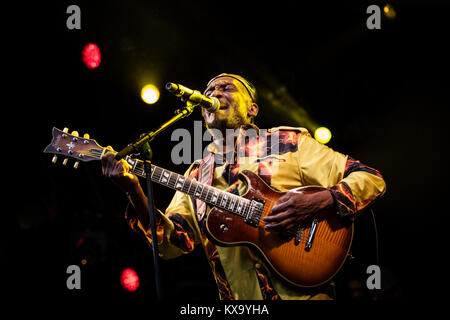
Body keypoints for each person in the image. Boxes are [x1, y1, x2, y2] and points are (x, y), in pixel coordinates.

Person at [101, 73, 386, 300]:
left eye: (226, 88)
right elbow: (173, 243)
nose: (214, 93)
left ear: (252, 109)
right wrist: (133, 191)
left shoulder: (285, 142)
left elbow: (370, 178)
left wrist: (320, 200)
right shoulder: (196, 174)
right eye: (210, 90)